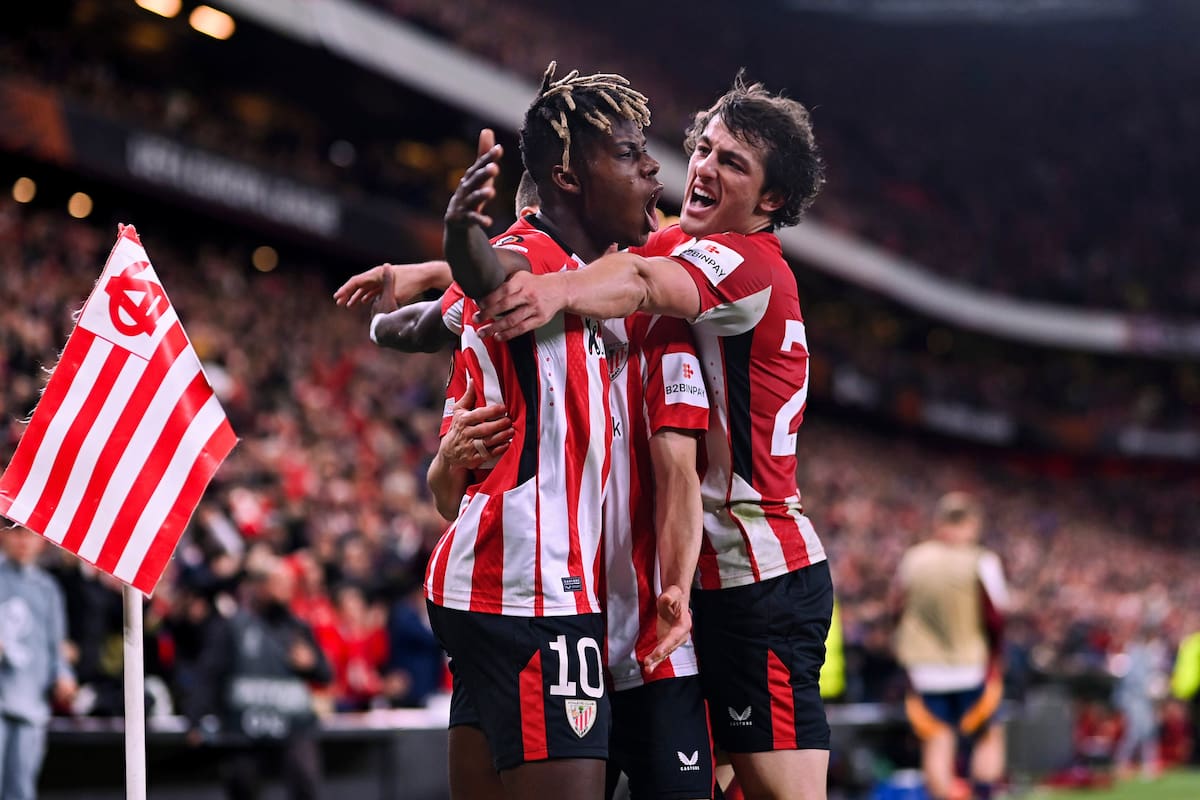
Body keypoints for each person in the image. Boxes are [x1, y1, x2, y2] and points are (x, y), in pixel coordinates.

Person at [470, 74, 831, 800]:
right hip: (714, 575)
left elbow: (631, 279)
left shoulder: (747, 262)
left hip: (756, 578)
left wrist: (554, 293)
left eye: (733, 163)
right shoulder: (691, 242)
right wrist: (439, 272)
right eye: (704, 148)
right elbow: (578, 258)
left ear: (770, 202)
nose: (702, 167)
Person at [424, 63, 674, 800]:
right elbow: (486, 269)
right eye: (629, 153)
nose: (650, 167)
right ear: (567, 176)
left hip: (498, 586)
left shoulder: (586, 279)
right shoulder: (531, 259)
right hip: (535, 596)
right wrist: (461, 236)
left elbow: (452, 485)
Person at [185, 553, 332, 800]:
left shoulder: (298, 627)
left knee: (305, 781)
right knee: (242, 784)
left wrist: (312, 663)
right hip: (245, 726)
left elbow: (325, 675)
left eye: (289, 584)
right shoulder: (234, 627)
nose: (286, 590)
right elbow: (209, 674)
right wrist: (195, 718)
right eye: (279, 583)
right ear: (260, 586)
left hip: (293, 725)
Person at [893, 493, 1009, 800]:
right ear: (971, 523)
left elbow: (897, 608)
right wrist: (997, 657)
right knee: (988, 735)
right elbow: (996, 617)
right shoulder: (981, 560)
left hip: (923, 668)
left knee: (937, 741)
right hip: (971, 665)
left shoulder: (913, 559)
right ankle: (983, 794)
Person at [0, 527, 76, 800]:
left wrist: (64, 676)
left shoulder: (48, 589)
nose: (22, 541)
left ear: (41, 542)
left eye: (28, 534)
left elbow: (56, 646)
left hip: (32, 702)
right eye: (14, 533)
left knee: (21, 789)